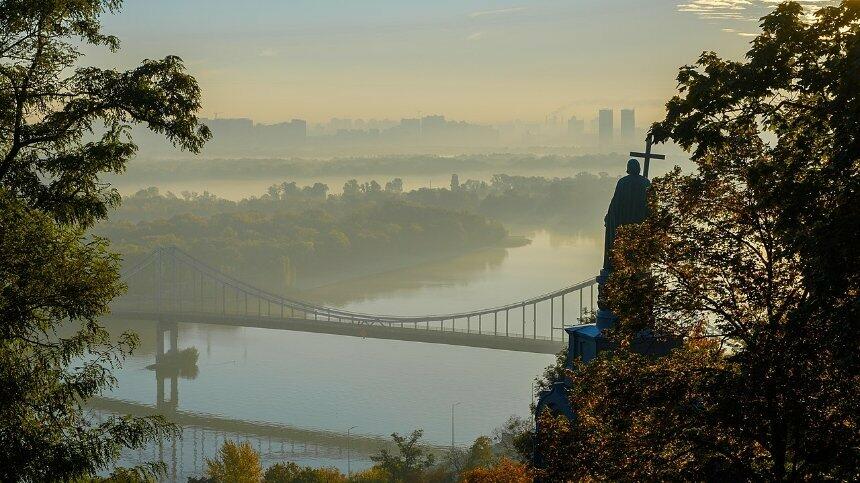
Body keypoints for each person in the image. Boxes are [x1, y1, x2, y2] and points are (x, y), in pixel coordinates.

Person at [603, 158, 651, 271]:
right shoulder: (646, 182)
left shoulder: (623, 182)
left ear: (628, 169)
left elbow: (615, 203)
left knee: (623, 245)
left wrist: (609, 218)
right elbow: (650, 206)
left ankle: (616, 263)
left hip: (623, 222)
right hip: (639, 222)